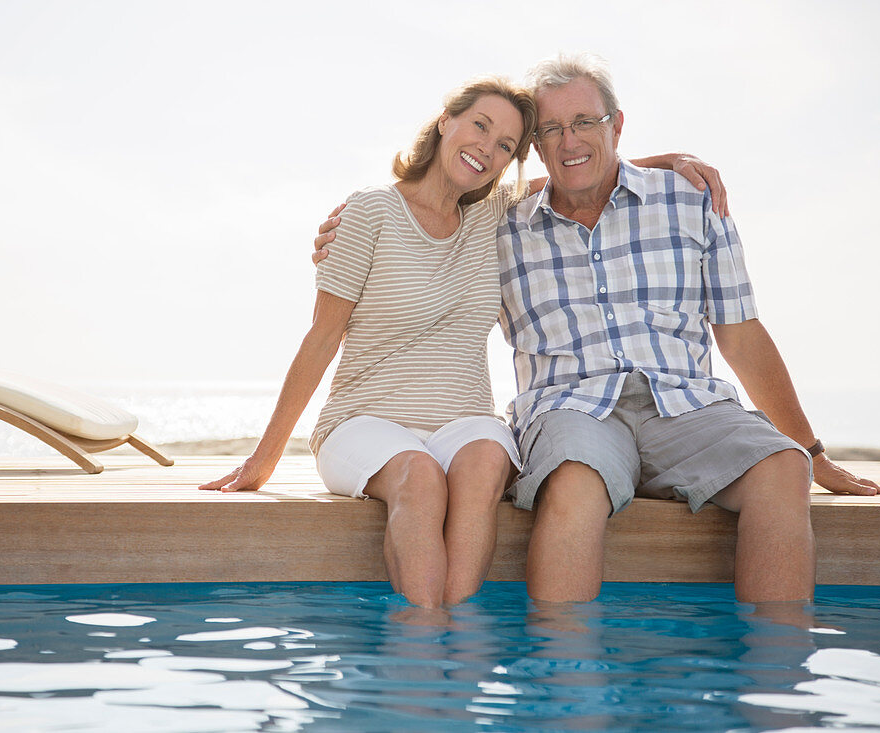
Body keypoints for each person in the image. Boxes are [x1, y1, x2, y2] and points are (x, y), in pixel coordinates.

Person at [314, 54, 880, 607]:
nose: (570, 141)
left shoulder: (692, 200)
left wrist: (813, 453)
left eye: (585, 122)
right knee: (573, 482)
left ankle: (773, 686)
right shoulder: (502, 220)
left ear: (618, 125)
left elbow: (742, 333)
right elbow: (425, 221)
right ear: (535, 147)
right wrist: (348, 231)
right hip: (569, 407)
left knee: (784, 469)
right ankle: (568, 690)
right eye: (553, 129)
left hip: (687, 407)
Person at [206, 75, 723, 610]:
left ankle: (457, 637)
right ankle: (425, 639)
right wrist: (263, 459)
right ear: (446, 121)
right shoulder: (369, 212)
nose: (486, 148)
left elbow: (582, 171)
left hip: (463, 418)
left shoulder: (494, 215)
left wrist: (667, 160)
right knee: (421, 477)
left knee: (484, 464)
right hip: (364, 420)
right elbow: (320, 339)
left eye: (505, 145)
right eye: (480, 125)